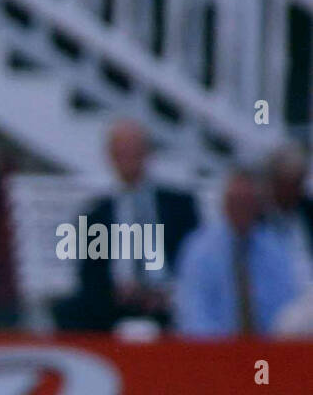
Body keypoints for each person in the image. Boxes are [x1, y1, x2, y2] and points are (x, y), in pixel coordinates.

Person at [53, 119, 199, 331]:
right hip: (115, 302)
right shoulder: (96, 215)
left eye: (135, 151)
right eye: (121, 152)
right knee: (71, 312)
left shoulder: (179, 206)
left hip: (170, 299)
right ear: (110, 157)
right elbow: (89, 275)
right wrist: (117, 292)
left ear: (148, 153)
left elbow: (194, 261)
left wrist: (167, 292)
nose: (129, 159)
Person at [174, 168, 300, 337]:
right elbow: (193, 312)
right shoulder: (199, 250)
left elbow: (287, 306)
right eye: (236, 202)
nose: (242, 208)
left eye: (247, 202)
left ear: (258, 205)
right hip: (214, 351)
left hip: (268, 352)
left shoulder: (275, 248)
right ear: (224, 204)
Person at [264, 143, 313, 289]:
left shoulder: (308, 212)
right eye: (288, 183)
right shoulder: (258, 217)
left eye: (298, 183)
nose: (294, 190)